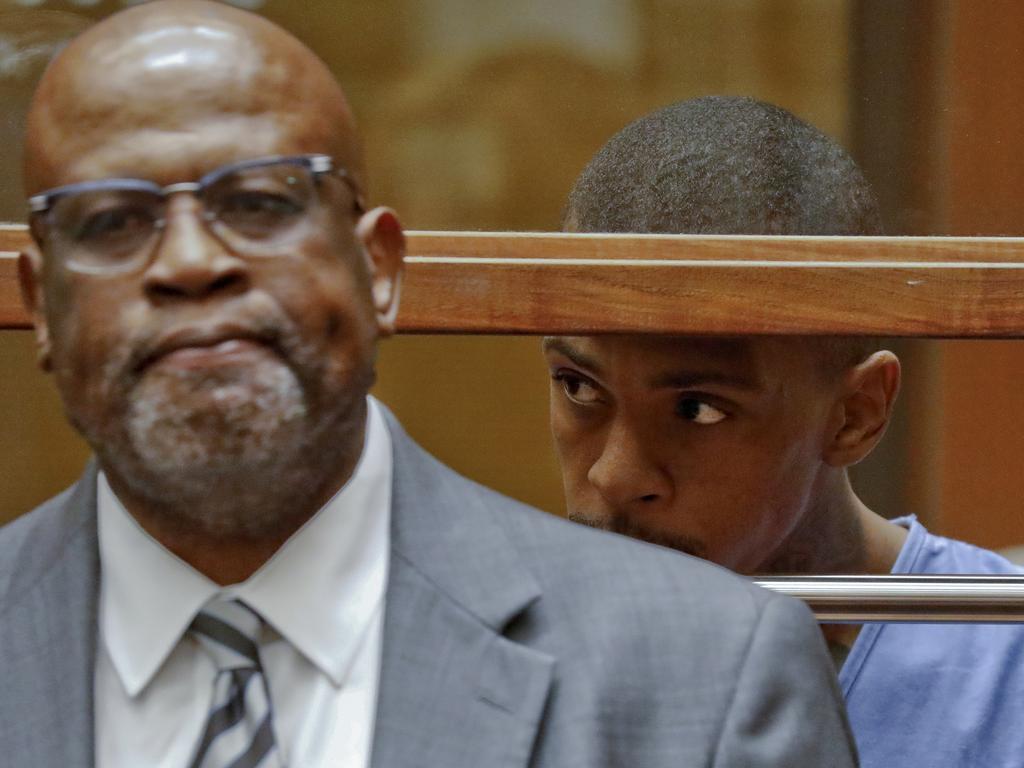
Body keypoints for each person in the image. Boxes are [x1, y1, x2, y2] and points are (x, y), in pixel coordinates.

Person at [0, 5, 857, 767]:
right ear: (41, 302)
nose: (190, 263)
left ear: (378, 270)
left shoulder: (707, 674)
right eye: (111, 222)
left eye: (260, 203)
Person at [547, 94, 1024, 768]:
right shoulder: (510, 655)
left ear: (855, 416)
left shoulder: (1004, 675)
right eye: (579, 388)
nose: (613, 474)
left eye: (698, 409)